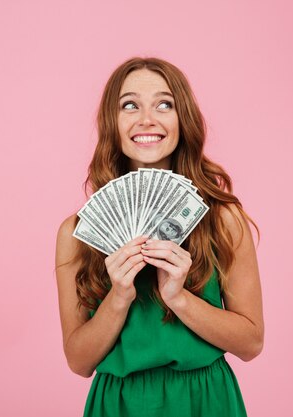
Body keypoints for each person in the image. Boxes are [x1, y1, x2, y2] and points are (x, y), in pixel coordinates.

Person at [55, 57, 264, 417]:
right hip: (119, 404)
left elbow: (251, 342)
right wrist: (119, 297)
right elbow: (79, 361)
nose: (146, 119)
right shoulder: (76, 233)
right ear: (111, 122)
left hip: (205, 400)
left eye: (164, 104)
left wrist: (178, 298)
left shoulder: (224, 220)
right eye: (130, 105)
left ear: (182, 120)